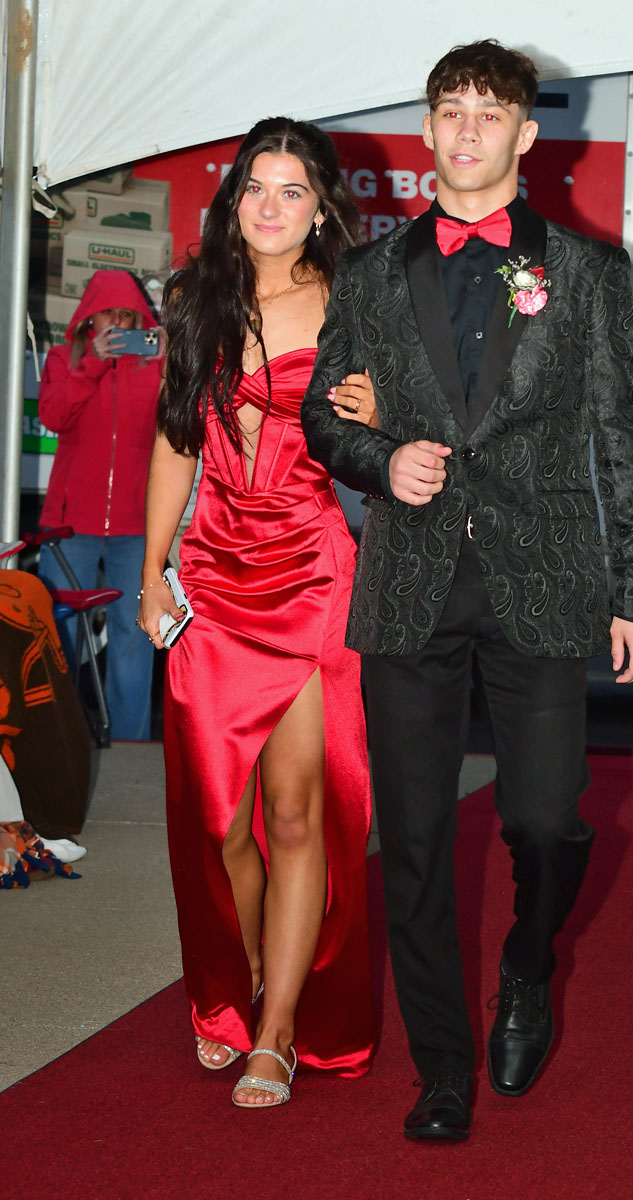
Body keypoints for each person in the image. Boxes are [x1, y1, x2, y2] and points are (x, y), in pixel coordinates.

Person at [302, 40, 633, 1141]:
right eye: (447, 111)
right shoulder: (367, 275)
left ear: (524, 133)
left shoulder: (589, 274)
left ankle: (526, 965)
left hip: (547, 580)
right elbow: (325, 412)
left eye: (488, 112)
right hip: (408, 582)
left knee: (544, 819)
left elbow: (623, 440)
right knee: (410, 841)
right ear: (426, 131)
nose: (466, 130)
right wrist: (378, 460)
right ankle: (441, 1072)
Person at [138, 117, 377, 1109]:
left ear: (320, 206)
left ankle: (276, 1029)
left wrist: (374, 415)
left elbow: (398, 434)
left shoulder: (353, 304)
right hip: (211, 577)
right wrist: (150, 571)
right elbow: (173, 444)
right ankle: (240, 980)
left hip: (312, 573)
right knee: (216, 822)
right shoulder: (196, 298)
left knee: (293, 811)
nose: (271, 206)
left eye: (291, 190)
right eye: (255, 189)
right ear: (233, 201)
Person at [37, 269, 161, 740]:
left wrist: (178, 358)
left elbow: (185, 421)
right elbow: (53, 416)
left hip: (136, 526)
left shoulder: (154, 365)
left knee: (136, 635)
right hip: (70, 528)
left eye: (127, 315)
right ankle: (59, 738)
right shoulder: (62, 359)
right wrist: (90, 364)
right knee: (59, 637)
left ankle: (128, 741)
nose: (117, 324)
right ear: (89, 319)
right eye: (107, 314)